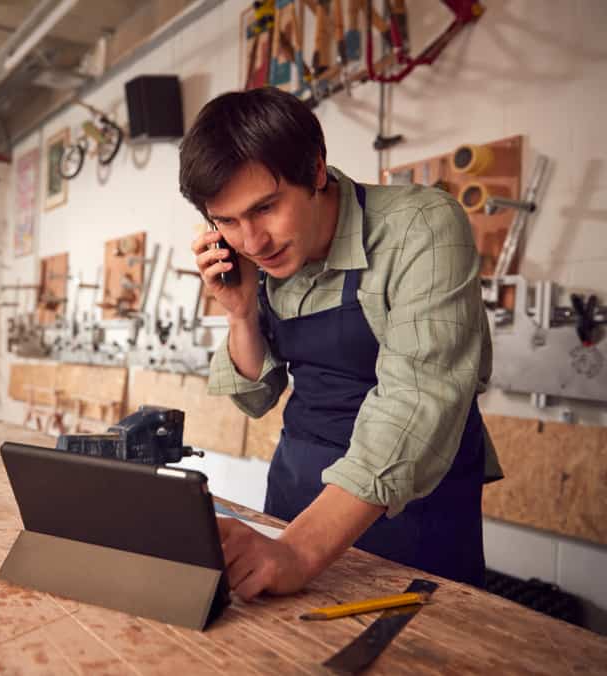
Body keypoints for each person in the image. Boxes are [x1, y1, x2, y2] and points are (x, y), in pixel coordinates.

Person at [180, 87, 502, 600]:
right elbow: (256, 399)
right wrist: (240, 310)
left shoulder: (420, 227)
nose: (253, 242)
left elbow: (416, 403)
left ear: (315, 170)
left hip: (411, 505)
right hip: (296, 494)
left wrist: (299, 552)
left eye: (265, 208)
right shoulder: (261, 258)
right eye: (227, 222)